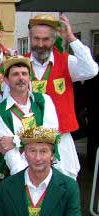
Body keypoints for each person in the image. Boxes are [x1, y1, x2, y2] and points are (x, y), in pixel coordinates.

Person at [26, 14, 99, 179]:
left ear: (53, 40)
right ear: (30, 38)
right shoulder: (20, 64)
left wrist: (71, 38)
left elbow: (92, 70)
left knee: (65, 185)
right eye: (36, 39)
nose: (40, 44)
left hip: (61, 138)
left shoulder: (67, 62)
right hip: (30, 139)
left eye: (45, 39)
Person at [0, 56, 79, 179]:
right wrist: (26, 179)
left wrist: (16, 140)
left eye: (24, 74)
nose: (21, 78)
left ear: (29, 77)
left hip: (52, 169)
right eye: (15, 74)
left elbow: (51, 134)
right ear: (6, 80)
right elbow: (9, 152)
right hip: (21, 175)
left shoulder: (44, 100)